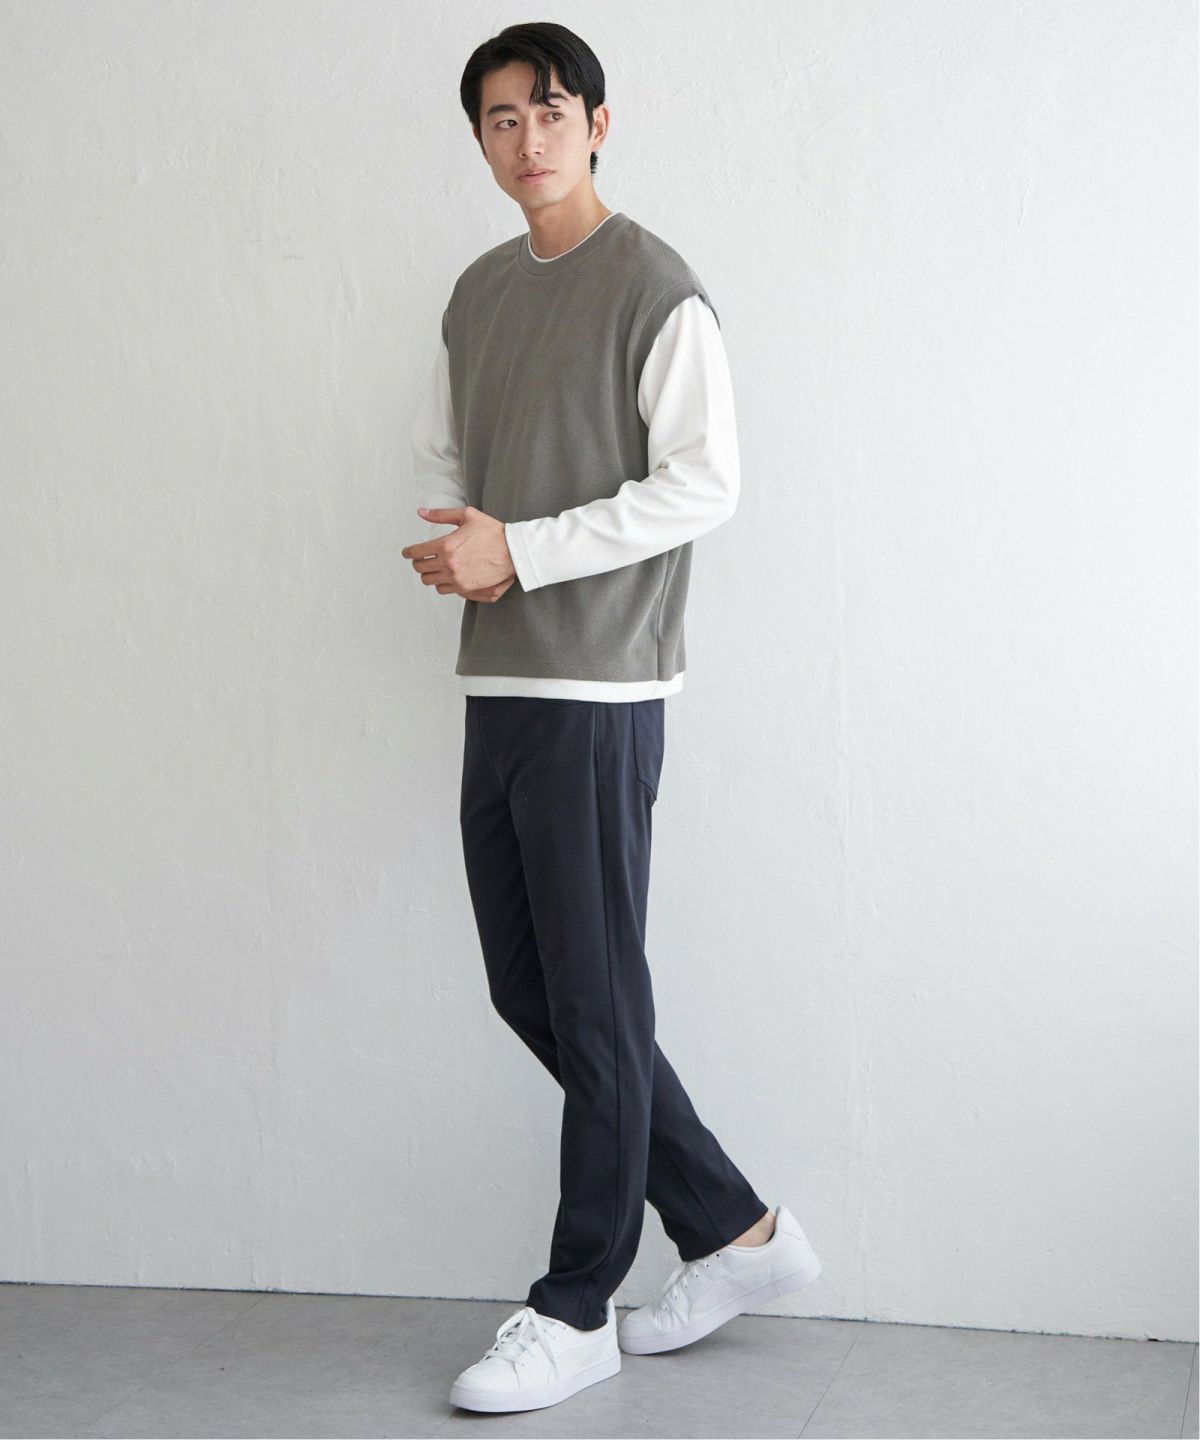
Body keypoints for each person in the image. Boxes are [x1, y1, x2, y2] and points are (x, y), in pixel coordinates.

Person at [401, 21, 822, 1416]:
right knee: (537, 990)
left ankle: (575, 1306)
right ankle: (735, 1230)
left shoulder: (656, 286)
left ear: (597, 122)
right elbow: (450, 449)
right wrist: (467, 535)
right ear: (479, 139)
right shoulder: (476, 291)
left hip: (599, 683)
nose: (526, 139)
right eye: (499, 119)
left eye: (550, 110)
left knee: (593, 999)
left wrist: (520, 550)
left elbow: (704, 484)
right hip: (499, 674)